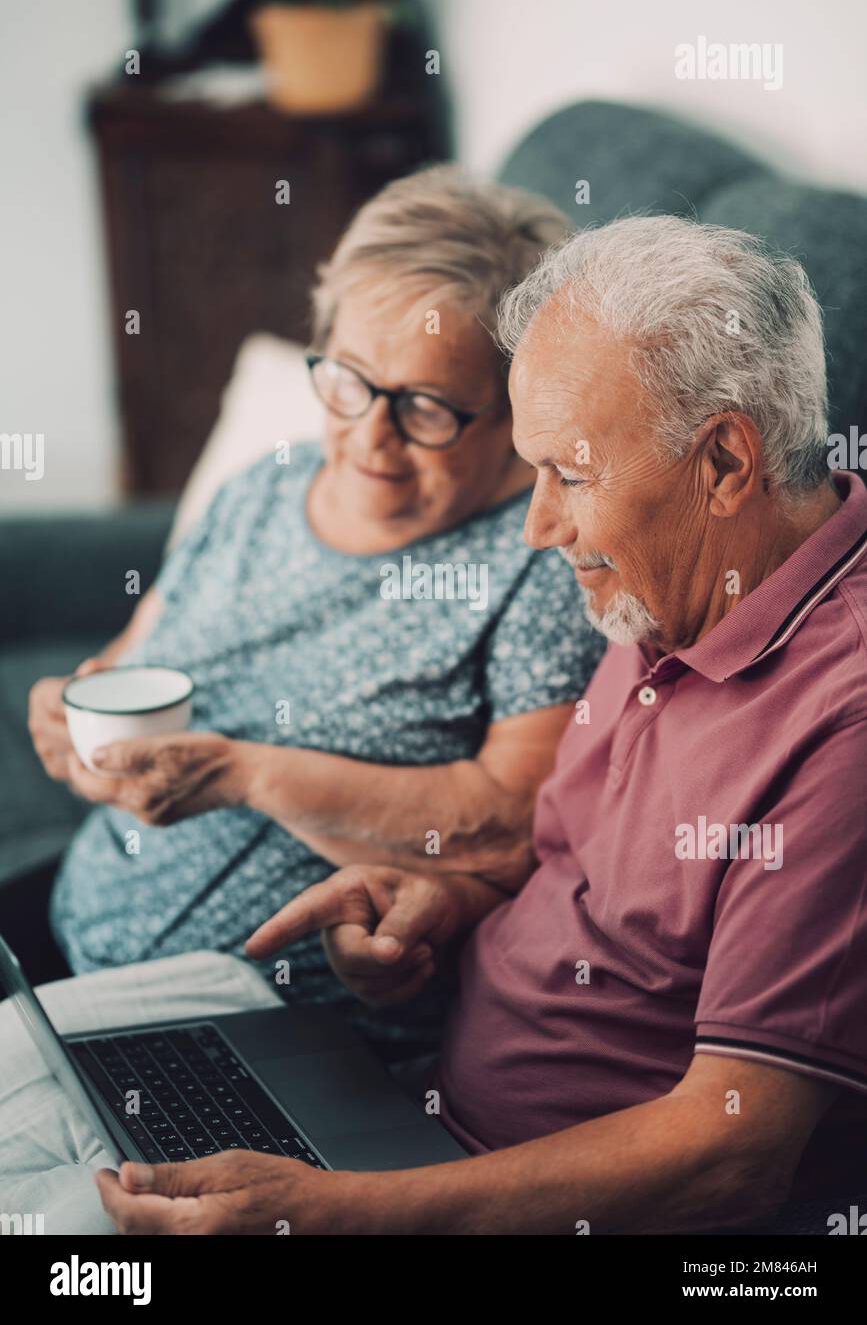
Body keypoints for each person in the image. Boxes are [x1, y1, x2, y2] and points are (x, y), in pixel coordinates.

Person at [87, 215, 867, 1234]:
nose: (540, 528)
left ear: (725, 460)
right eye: (533, 470)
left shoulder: (837, 723)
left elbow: (732, 1153)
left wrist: (339, 1217)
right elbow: (579, 871)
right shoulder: (679, 582)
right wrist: (442, 901)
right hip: (417, 1129)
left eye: (571, 476)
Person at [27, 167, 601, 1053]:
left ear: (516, 414)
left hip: (255, 1035)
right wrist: (77, 713)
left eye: (424, 408)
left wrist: (249, 774)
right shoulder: (265, 488)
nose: (369, 437)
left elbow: (509, 825)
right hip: (66, 944)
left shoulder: (537, 561)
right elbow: (131, 660)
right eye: (348, 380)